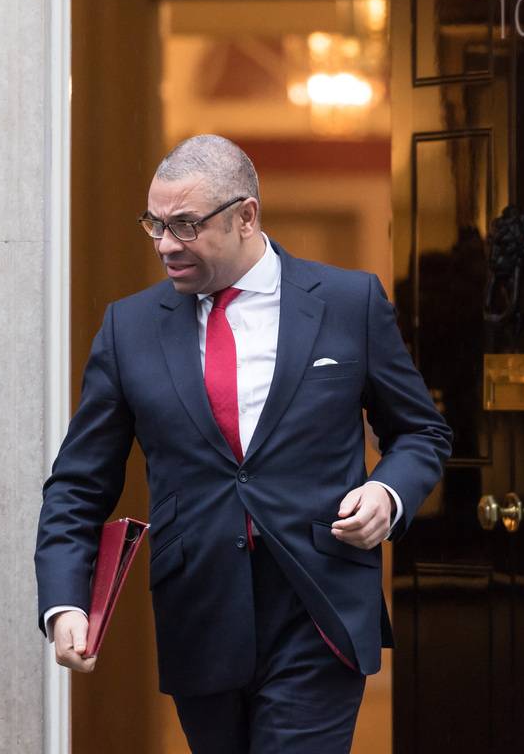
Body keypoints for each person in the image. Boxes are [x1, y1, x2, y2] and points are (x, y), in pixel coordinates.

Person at [34, 134, 453, 752]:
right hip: (199, 609)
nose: (165, 245)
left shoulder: (347, 302)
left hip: (319, 605)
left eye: (184, 225)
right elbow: (79, 481)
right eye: (155, 223)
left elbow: (421, 431)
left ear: (245, 217)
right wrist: (66, 601)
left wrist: (388, 494)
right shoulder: (129, 328)